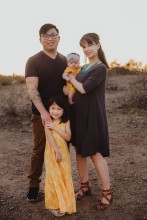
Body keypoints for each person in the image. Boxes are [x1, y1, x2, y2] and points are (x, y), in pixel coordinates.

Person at [65, 33, 113, 210]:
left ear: (98, 45)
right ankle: (84, 185)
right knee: (79, 151)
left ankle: (107, 192)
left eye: (90, 44)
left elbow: (83, 89)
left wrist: (70, 78)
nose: (87, 49)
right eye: (84, 46)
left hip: (92, 116)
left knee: (94, 153)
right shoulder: (83, 67)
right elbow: (72, 89)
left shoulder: (100, 68)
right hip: (77, 115)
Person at [25, 23, 67, 201]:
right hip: (40, 114)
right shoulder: (33, 61)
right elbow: (32, 89)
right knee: (39, 149)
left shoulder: (65, 60)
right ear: (40, 39)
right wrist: (43, 112)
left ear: (59, 37)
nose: (50, 38)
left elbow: (68, 87)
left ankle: (61, 185)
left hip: (62, 115)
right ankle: (33, 187)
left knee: (62, 149)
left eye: (53, 34)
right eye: (45, 35)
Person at [44, 95, 76, 217]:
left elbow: (68, 137)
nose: (55, 112)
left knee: (64, 176)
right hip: (52, 153)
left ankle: (65, 204)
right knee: (53, 177)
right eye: (53, 108)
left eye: (59, 109)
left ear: (63, 110)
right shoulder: (47, 121)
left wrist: (55, 127)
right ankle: (54, 205)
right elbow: (49, 137)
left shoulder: (65, 121)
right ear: (48, 109)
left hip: (64, 154)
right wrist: (57, 151)